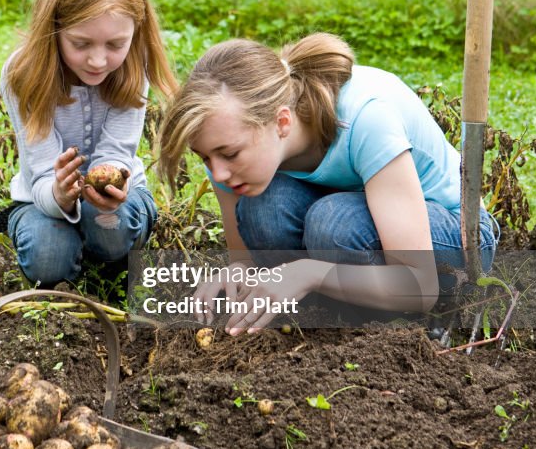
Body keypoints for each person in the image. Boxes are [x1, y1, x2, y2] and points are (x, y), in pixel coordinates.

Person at [157, 33, 499, 333]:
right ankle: (328, 312)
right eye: (205, 158)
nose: (218, 173)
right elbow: (244, 259)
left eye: (229, 154)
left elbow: (419, 284)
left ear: (282, 121)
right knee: (265, 209)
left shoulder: (366, 120)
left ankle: (394, 325)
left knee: (333, 224)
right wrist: (238, 271)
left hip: (456, 237)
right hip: (353, 225)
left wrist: (309, 273)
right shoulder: (227, 150)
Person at [0, 0, 176, 287]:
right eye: (81, 44)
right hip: (42, 199)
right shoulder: (24, 75)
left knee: (109, 227)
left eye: (115, 45)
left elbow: (116, 152)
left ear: (136, 30)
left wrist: (112, 184)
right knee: (47, 257)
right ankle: (67, 253)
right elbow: (40, 171)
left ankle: (108, 257)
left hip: (116, 201)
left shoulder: (131, 68)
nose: (98, 61)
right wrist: (60, 194)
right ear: (53, 29)